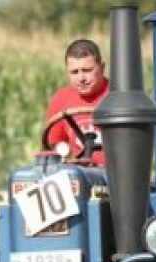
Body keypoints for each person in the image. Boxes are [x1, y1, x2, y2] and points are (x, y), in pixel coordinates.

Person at [44, 38, 109, 166]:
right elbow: (54, 149)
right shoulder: (61, 99)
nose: (81, 78)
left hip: (117, 175)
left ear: (102, 68)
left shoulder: (117, 96)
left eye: (87, 70)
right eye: (75, 72)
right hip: (81, 175)